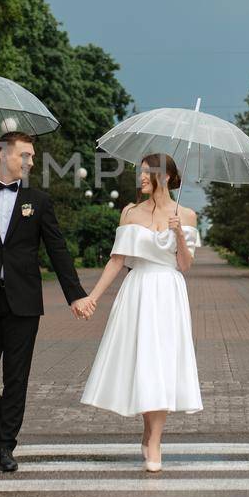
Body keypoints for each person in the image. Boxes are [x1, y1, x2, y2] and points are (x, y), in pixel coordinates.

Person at [0, 131, 89, 473]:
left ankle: (7, 445)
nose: (31, 161)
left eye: (32, 156)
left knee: (17, 378)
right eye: (26, 155)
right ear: (4, 155)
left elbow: (58, 250)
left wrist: (75, 295)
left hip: (23, 302)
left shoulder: (38, 200)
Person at [76, 153, 202, 472]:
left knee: (161, 365)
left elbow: (185, 265)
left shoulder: (186, 215)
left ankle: (155, 441)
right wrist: (92, 297)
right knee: (145, 364)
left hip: (169, 292)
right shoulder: (130, 212)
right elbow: (117, 260)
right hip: (138, 291)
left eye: (148, 173)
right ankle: (149, 431)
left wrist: (177, 235)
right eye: (140, 173)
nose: (141, 178)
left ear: (168, 177)